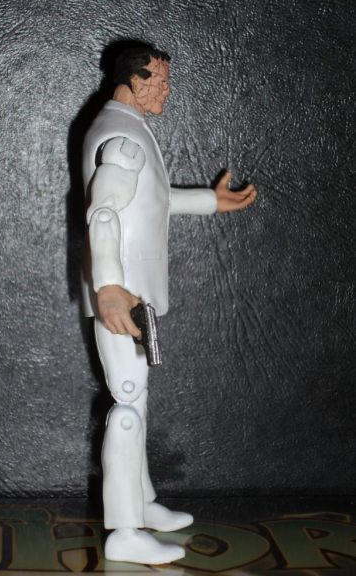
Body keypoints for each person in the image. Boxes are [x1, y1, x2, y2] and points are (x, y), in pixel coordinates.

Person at [81, 43, 257, 564]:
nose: (166, 89)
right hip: (122, 295)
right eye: (157, 81)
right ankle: (124, 530)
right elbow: (104, 212)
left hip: (132, 294)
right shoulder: (122, 137)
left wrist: (210, 201)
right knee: (126, 404)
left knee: (136, 399)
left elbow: (151, 201)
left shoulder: (128, 128)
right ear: (133, 81)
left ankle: (142, 502)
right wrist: (108, 287)